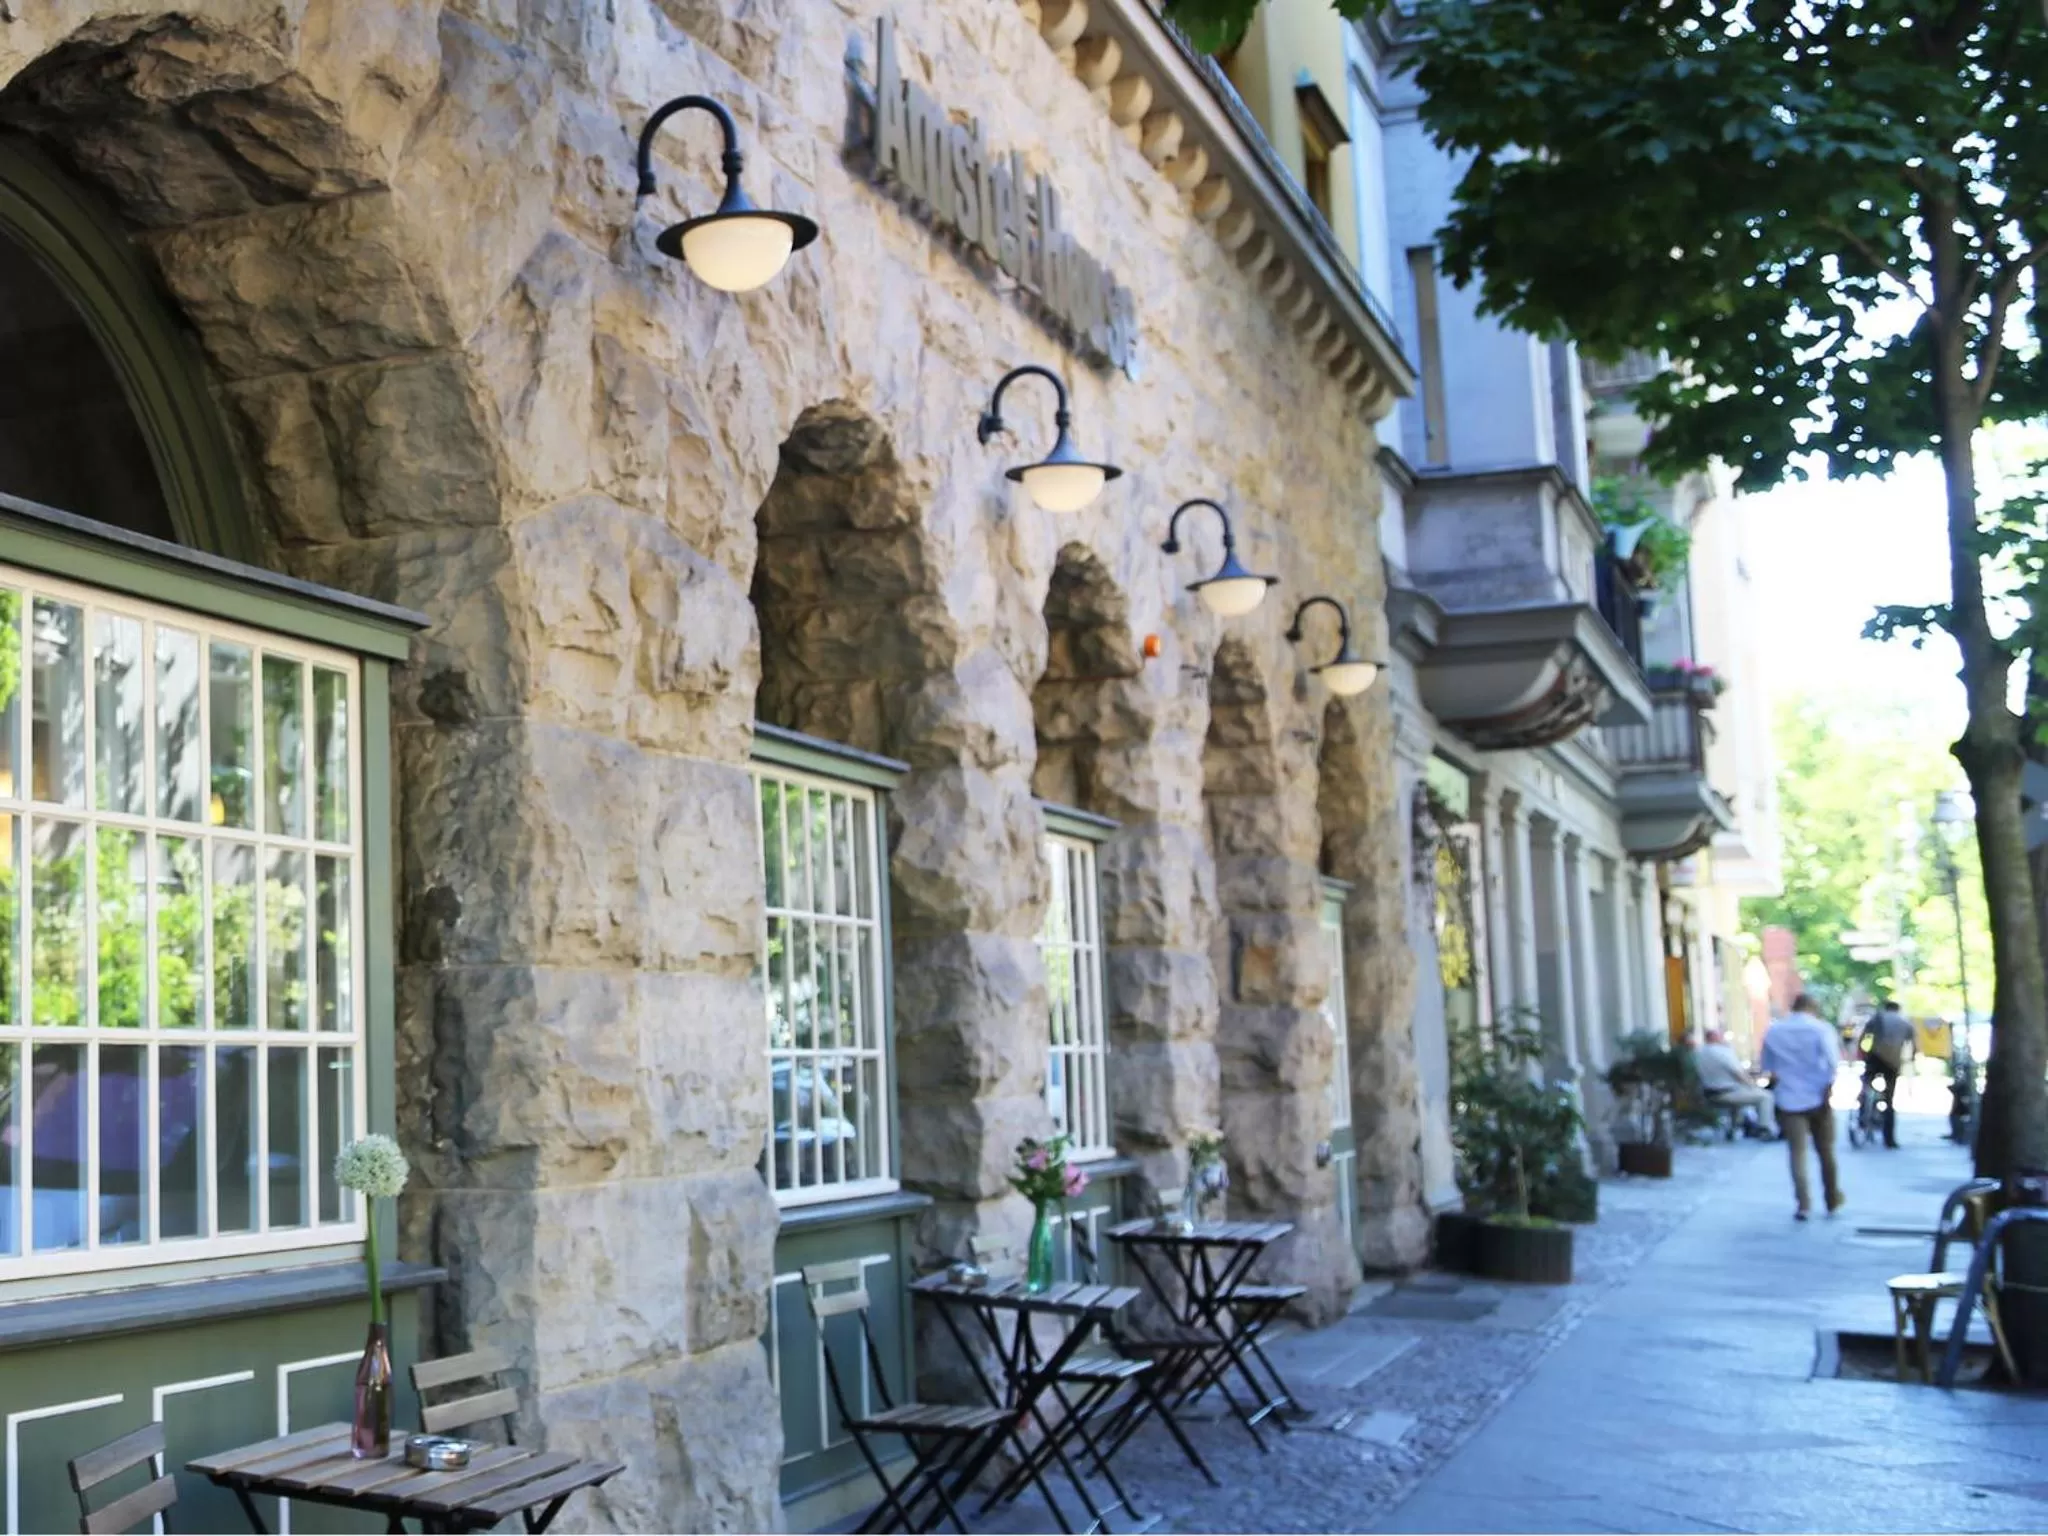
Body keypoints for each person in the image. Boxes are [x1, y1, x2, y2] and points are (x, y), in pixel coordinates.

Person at [1759, 994, 1845, 1220]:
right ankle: (1832, 1199)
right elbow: (1833, 1063)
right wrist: (1827, 1089)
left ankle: (1803, 1204)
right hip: (1818, 1097)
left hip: (1789, 1099)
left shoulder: (1775, 1030)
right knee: (1826, 1151)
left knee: (1797, 1153)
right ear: (1813, 1007)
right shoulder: (1822, 1029)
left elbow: (1768, 1067)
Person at [1857, 996, 1916, 1149]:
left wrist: (1863, 1053)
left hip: (1875, 1058)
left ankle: (1863, 1114)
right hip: (1893, 1062)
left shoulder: (1877, 1018)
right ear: (1898, 1009)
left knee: (1866, 1084)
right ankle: (1889, 1139)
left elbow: (1863, 1038)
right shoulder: (1905, 1023)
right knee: (1890, 1100)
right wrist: (1909, 1060)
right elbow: (1913, 1046)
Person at [1696, 1028, 1775, 1136]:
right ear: (1715, 1037)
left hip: (1709, 1093)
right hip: (1725, 1093)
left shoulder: (1700, 1052)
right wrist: (1753, 1086)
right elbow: (1738, 1074)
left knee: (1740, 1096)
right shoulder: (1721, 1052)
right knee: (1766, 1097)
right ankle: (1765, 1129)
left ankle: (1733, 1129)